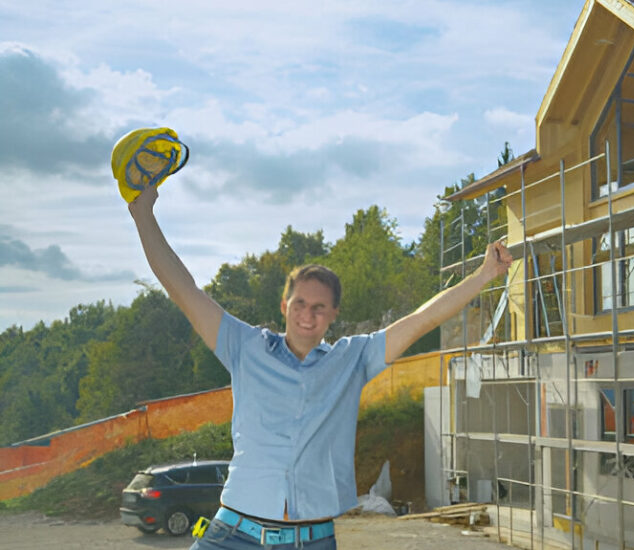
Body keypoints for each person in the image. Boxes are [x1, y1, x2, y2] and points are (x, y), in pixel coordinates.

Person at [127, 182, 512, 549]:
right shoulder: (245, 348)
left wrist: (483, 276)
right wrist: (142, 212)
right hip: (236, 535)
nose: (307, 315)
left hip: (310, 541)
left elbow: (421, 320)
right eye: (299, 304)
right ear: (284, 306)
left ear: (332, 315)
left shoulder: (352, 360)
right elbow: (183, 288)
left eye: (319, 307)